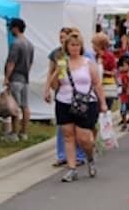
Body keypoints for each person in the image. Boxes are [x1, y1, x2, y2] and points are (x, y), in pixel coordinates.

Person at [47, 31, 107, 182]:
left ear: (81, 47)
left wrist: (103, 103)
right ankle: (71, 168)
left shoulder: (88, 63)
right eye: (71, 45)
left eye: (77, 45)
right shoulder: (62, 63)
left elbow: (97, 84)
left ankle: (90, 157)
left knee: (83, 138)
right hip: (64, 101)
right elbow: (56, 85)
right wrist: (53, 78)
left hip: (85, 102)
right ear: (66, 47)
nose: (74, 48)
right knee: (68, 135)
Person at [3, 18, 34, 141]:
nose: (10, 29)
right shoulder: (30, 44)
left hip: (15, 78)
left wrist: (6, 78)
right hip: (25, 79)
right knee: (25, 106)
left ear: (16, 28)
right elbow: (30, 63)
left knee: (14, 106)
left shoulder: (16, 44)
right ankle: (24, 132)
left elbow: (11, 63)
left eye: (11, 27)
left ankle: (14, 133)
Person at [92, 33, 118, 109]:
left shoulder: (109, 56)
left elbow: (114, 72)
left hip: (107, 85)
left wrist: (103, 71)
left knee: (107, 107)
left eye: (94, 44)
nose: (92, 46)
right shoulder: (95, 56)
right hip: (98, 85)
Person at [118, 56, 129, 132]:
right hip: (122, 95)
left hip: (128, 95)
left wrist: (128, 88)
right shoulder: (121, 74)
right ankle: (124, 123)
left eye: (125, 66)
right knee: (122, 110)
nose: (122, 67)